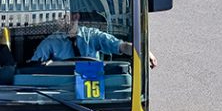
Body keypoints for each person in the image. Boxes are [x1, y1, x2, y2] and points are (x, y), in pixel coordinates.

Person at [30, 12, 158, 68]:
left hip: (93, 86)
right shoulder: (50, 42)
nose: (60, 20)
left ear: (76, 16)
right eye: (58, 17)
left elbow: (122, 46)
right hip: (63, 91)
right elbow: (33, 67)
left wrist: (142, 51)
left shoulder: (92, 36)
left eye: (64, 16)